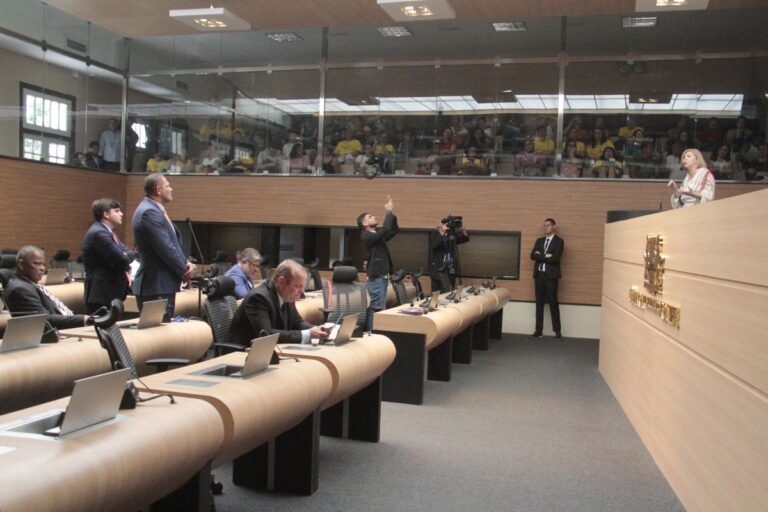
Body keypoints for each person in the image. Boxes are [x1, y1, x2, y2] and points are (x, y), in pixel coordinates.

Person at [132, 174, 195, 321]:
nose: (171, 189)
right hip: (155, 285)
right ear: (158, 190)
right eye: (168, 186)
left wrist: (185, 262)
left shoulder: (154, 210)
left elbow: (172, 244)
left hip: (160, 284)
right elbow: (166, 249)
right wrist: (184, 271)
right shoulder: (149, 212)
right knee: (157, 334)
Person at [228, 259, 328, 346]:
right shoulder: (258, 298)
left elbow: (297, 323)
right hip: (242, 354)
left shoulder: (286, 295)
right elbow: (267, 334)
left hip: (269, 353)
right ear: (281, 282)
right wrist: (308, 334)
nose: (302, 292)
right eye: (298, 286)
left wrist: (316, 329)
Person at [2, 246, 91, 342]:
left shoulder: (29, 284)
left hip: (63, 330)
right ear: (21, 264)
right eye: (36, 264)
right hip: (53, 336)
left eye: (43, 264)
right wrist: (85, 319)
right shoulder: (20, 289)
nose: (42, 269)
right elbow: (45, 319)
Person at [81, 198, 135, 314]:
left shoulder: (107, 232)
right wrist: (125, 255)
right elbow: (122, 260)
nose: (121, 214)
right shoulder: (99, 233)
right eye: (116, 211)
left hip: (108, 292)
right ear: (106, 214)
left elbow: (130, 252)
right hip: (101, 294)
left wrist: (125, 254)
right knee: (103, 329)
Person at [357, 195, 399, 331]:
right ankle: (371, 334)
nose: (374, 217)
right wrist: (388, 212)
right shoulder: (366, 236)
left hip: (382, 274)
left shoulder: (377, 233)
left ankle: (375, 333)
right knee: (376, 307)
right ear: (364, 224)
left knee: (380, 307)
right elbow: (386, 230)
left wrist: (392, 213)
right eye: (370, 217)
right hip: (377, 275)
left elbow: (393, 231)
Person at [530, 218, 564, 339]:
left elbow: (555, 259)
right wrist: (546, 256)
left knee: (553, 302)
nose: (546, 228)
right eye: (544, 226)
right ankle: (538, 330)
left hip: (551, 277)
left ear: (554, 227)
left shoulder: (559, 242)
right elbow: (532, 255)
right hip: (539, 275)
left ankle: (557, 331)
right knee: (539, 303)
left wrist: (541, 256)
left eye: (548, 225)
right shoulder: (539, 241)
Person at [429, 219, 469, 292]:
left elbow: (465, 239)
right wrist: (442, 233)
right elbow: (434, 246)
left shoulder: (452, 235)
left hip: (450, 268)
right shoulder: (435, 234)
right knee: (436, 293)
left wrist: (462, 230)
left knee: (449, 292)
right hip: (438, 269)